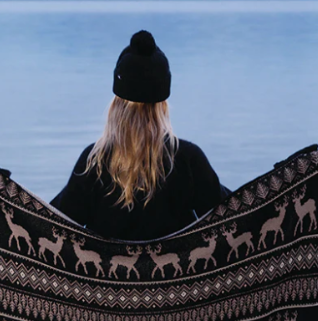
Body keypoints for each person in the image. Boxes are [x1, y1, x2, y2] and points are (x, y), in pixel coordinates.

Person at [50, 30, 230, 241]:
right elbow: (235, 217)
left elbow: (50, 224)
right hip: (177, 273)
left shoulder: (93, 162)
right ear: (162, 106)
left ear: (116, 105)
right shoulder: (188, 159)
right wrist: (276, 191)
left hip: (107, 274)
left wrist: (4, 199)